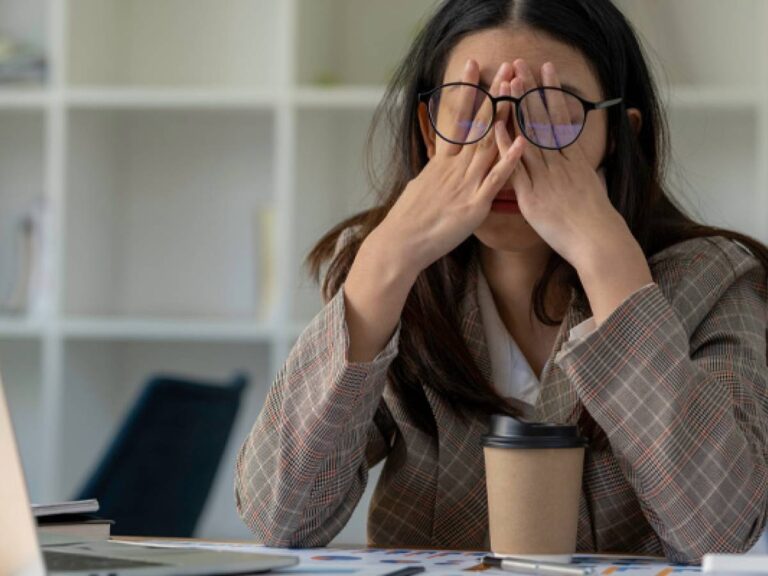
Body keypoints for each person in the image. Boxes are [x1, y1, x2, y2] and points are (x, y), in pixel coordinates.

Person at [235, 0, 768, 563]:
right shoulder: (393, 277)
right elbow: (280, 519)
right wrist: (385, 261)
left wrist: (611, 266)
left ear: (618, 135)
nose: (507, 149)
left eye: (551, 112)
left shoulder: (716, 280)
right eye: (471, 110)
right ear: (428, 130)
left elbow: (720, 534)